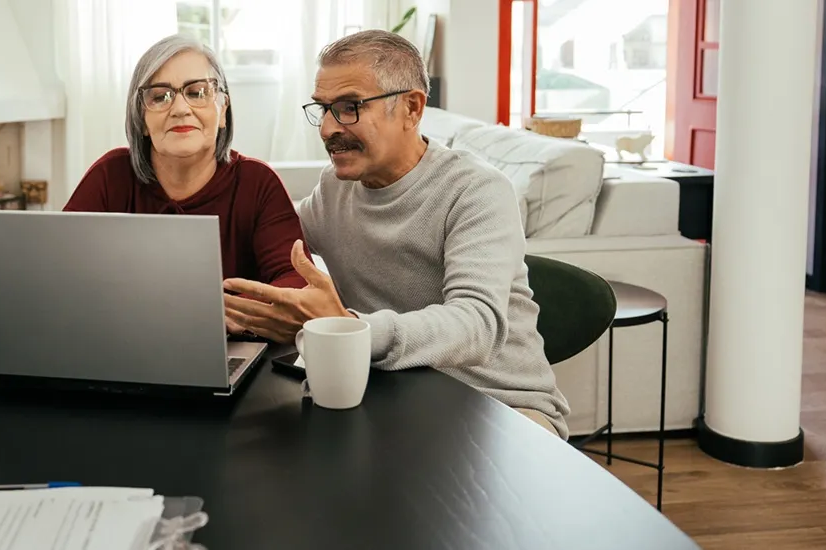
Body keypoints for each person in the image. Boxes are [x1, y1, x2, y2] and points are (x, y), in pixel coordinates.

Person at [221, 30, 571, 438]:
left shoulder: (476, 191)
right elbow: (273, 242)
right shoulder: (335, 188)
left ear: (411, 107)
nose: (328, 128)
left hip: (501, 405)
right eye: (323, 109)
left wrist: (350, 327)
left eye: (349, 107)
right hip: (391, 392)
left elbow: (477, 325)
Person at [64, 35, 308, 290]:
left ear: (223, 110)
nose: (180, 109)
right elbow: (58, 265)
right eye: (160, 97)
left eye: (197, 92)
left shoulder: (258, 183)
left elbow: (296, 281)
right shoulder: (109, 175)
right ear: (141, 119)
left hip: (232, 331)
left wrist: (223, 311)